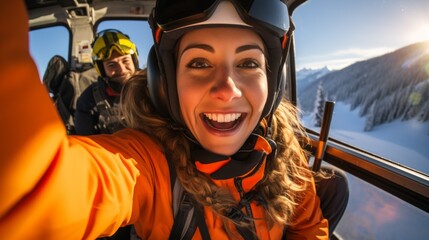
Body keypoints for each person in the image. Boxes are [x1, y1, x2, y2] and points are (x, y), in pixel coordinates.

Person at [0, 1, 348, 239]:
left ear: (272, 85)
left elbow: (309, 228)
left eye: (248, 64)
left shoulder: (284, 153)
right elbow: (40, 193)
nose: (227, 90)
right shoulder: (148, 165)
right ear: (165, 84)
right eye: (199, 63)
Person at [74, 29, 139, 135]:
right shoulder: (88, 100)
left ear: (134, 61)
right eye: (111, 65)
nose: (122, 69)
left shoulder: (153, 87)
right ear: (101, 69)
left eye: (125, 61)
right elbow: (87, 143)